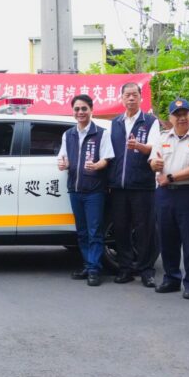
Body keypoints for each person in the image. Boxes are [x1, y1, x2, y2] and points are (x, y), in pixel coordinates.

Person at [149, 98, 189, 299]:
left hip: (188, 193)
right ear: (170, 118)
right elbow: (152, 161)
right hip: (165, 195)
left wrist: (170, 177)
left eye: (184, 113)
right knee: (167, 238)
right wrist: (155, 165)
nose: (181, 118)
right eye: (177, 114)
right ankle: (171, 278)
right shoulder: (162, 137)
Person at [57, 94, 113, 286]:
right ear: (73, 111)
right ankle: (88, 265)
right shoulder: (68, 134)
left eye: (84, 109)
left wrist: (98, 165)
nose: (80, 112)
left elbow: (107, 158)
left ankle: (94, 269)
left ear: (91, 110)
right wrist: (62, 164)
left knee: (95, 231)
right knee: (81, 232)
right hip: (75, 189)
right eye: (77, 109)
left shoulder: (101, 133)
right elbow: (62, 158)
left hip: (94, 190)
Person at [108, 82, 160, 287]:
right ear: (121, 98)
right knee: (121, 228)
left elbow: (155, 148)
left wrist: (138, 146)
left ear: (140, 97)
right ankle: (125, 269)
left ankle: (146, 270)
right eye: (127, 95)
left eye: (134, 95)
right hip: (119, 187)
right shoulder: (115, 123)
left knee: (144, 229)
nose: (130, 98)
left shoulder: (150, 121)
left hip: (142, 185)